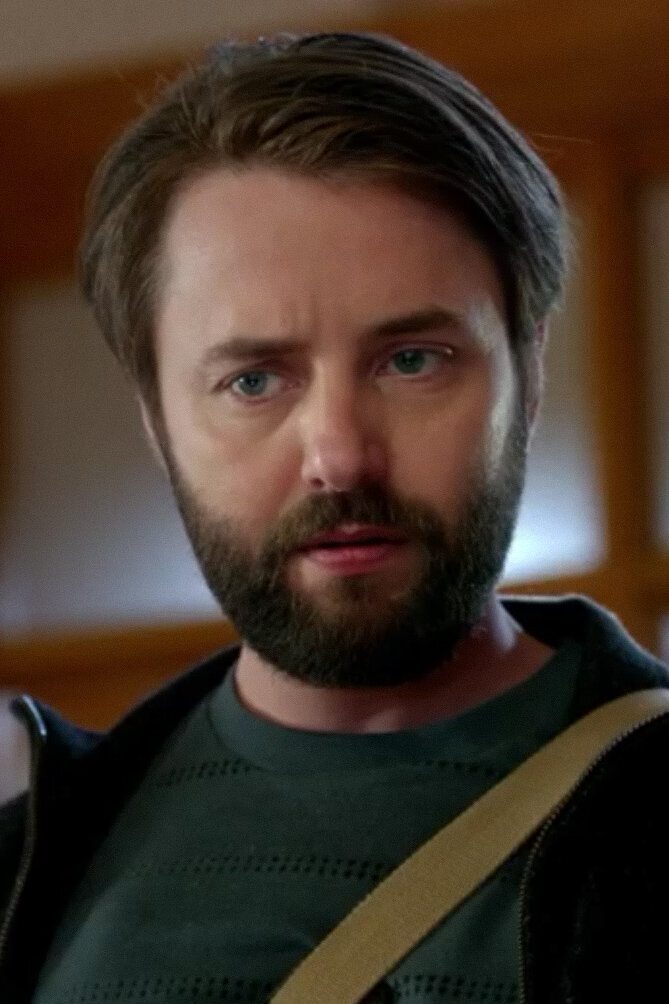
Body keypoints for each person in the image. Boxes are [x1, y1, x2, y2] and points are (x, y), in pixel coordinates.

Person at [1, 30, 668, 1004]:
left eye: (412, 361)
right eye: (254, 380)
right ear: (157, 420)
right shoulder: (42, 845)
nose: (340, 455)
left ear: (527, 376)